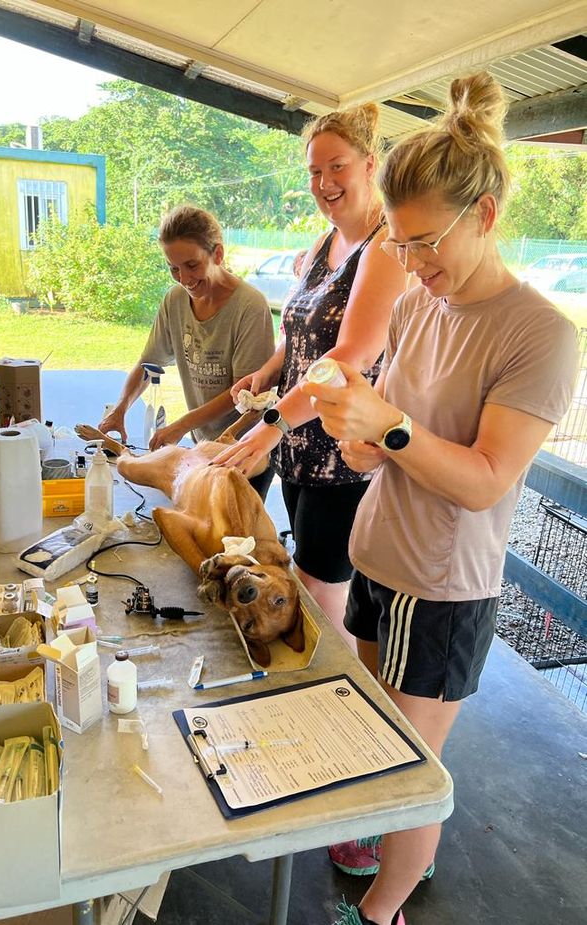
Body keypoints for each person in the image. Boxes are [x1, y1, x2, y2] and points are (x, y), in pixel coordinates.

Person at [302, 73, 579, 925]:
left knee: (410, 764)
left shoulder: (540, 334)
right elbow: (399, 434)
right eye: (399, 245)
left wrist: (386, 431)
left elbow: (488, 478)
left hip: (445, 582)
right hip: (381, 555)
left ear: (486, 214)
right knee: (376, 736)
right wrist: (363, 436)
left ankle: (381, 910)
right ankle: (385, 873)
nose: (413, 266)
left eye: (426, 243)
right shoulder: (425, 303)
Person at [211, 106, 406, 645]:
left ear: (370, 165)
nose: (324, 184)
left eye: (336, 167)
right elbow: (296, 334)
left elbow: (352, 354)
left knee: (321, 595)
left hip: (342, 451)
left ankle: (329, 709)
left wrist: (273, 422)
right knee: (303, 575)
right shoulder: (323, 242)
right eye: (314, 173)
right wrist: (265, 373)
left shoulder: (386, 247)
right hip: (298, 443)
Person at [99, 205, 275, 496]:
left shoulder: (250, 306)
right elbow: (148, 363)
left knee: (233, 537)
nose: (183, 278)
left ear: (217, 254)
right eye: (174, 269)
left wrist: (180, 425)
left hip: (246, 450)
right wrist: (120, 409)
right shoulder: (175, 300)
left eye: (192, 265)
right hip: (201, 445)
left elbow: (243, 394)